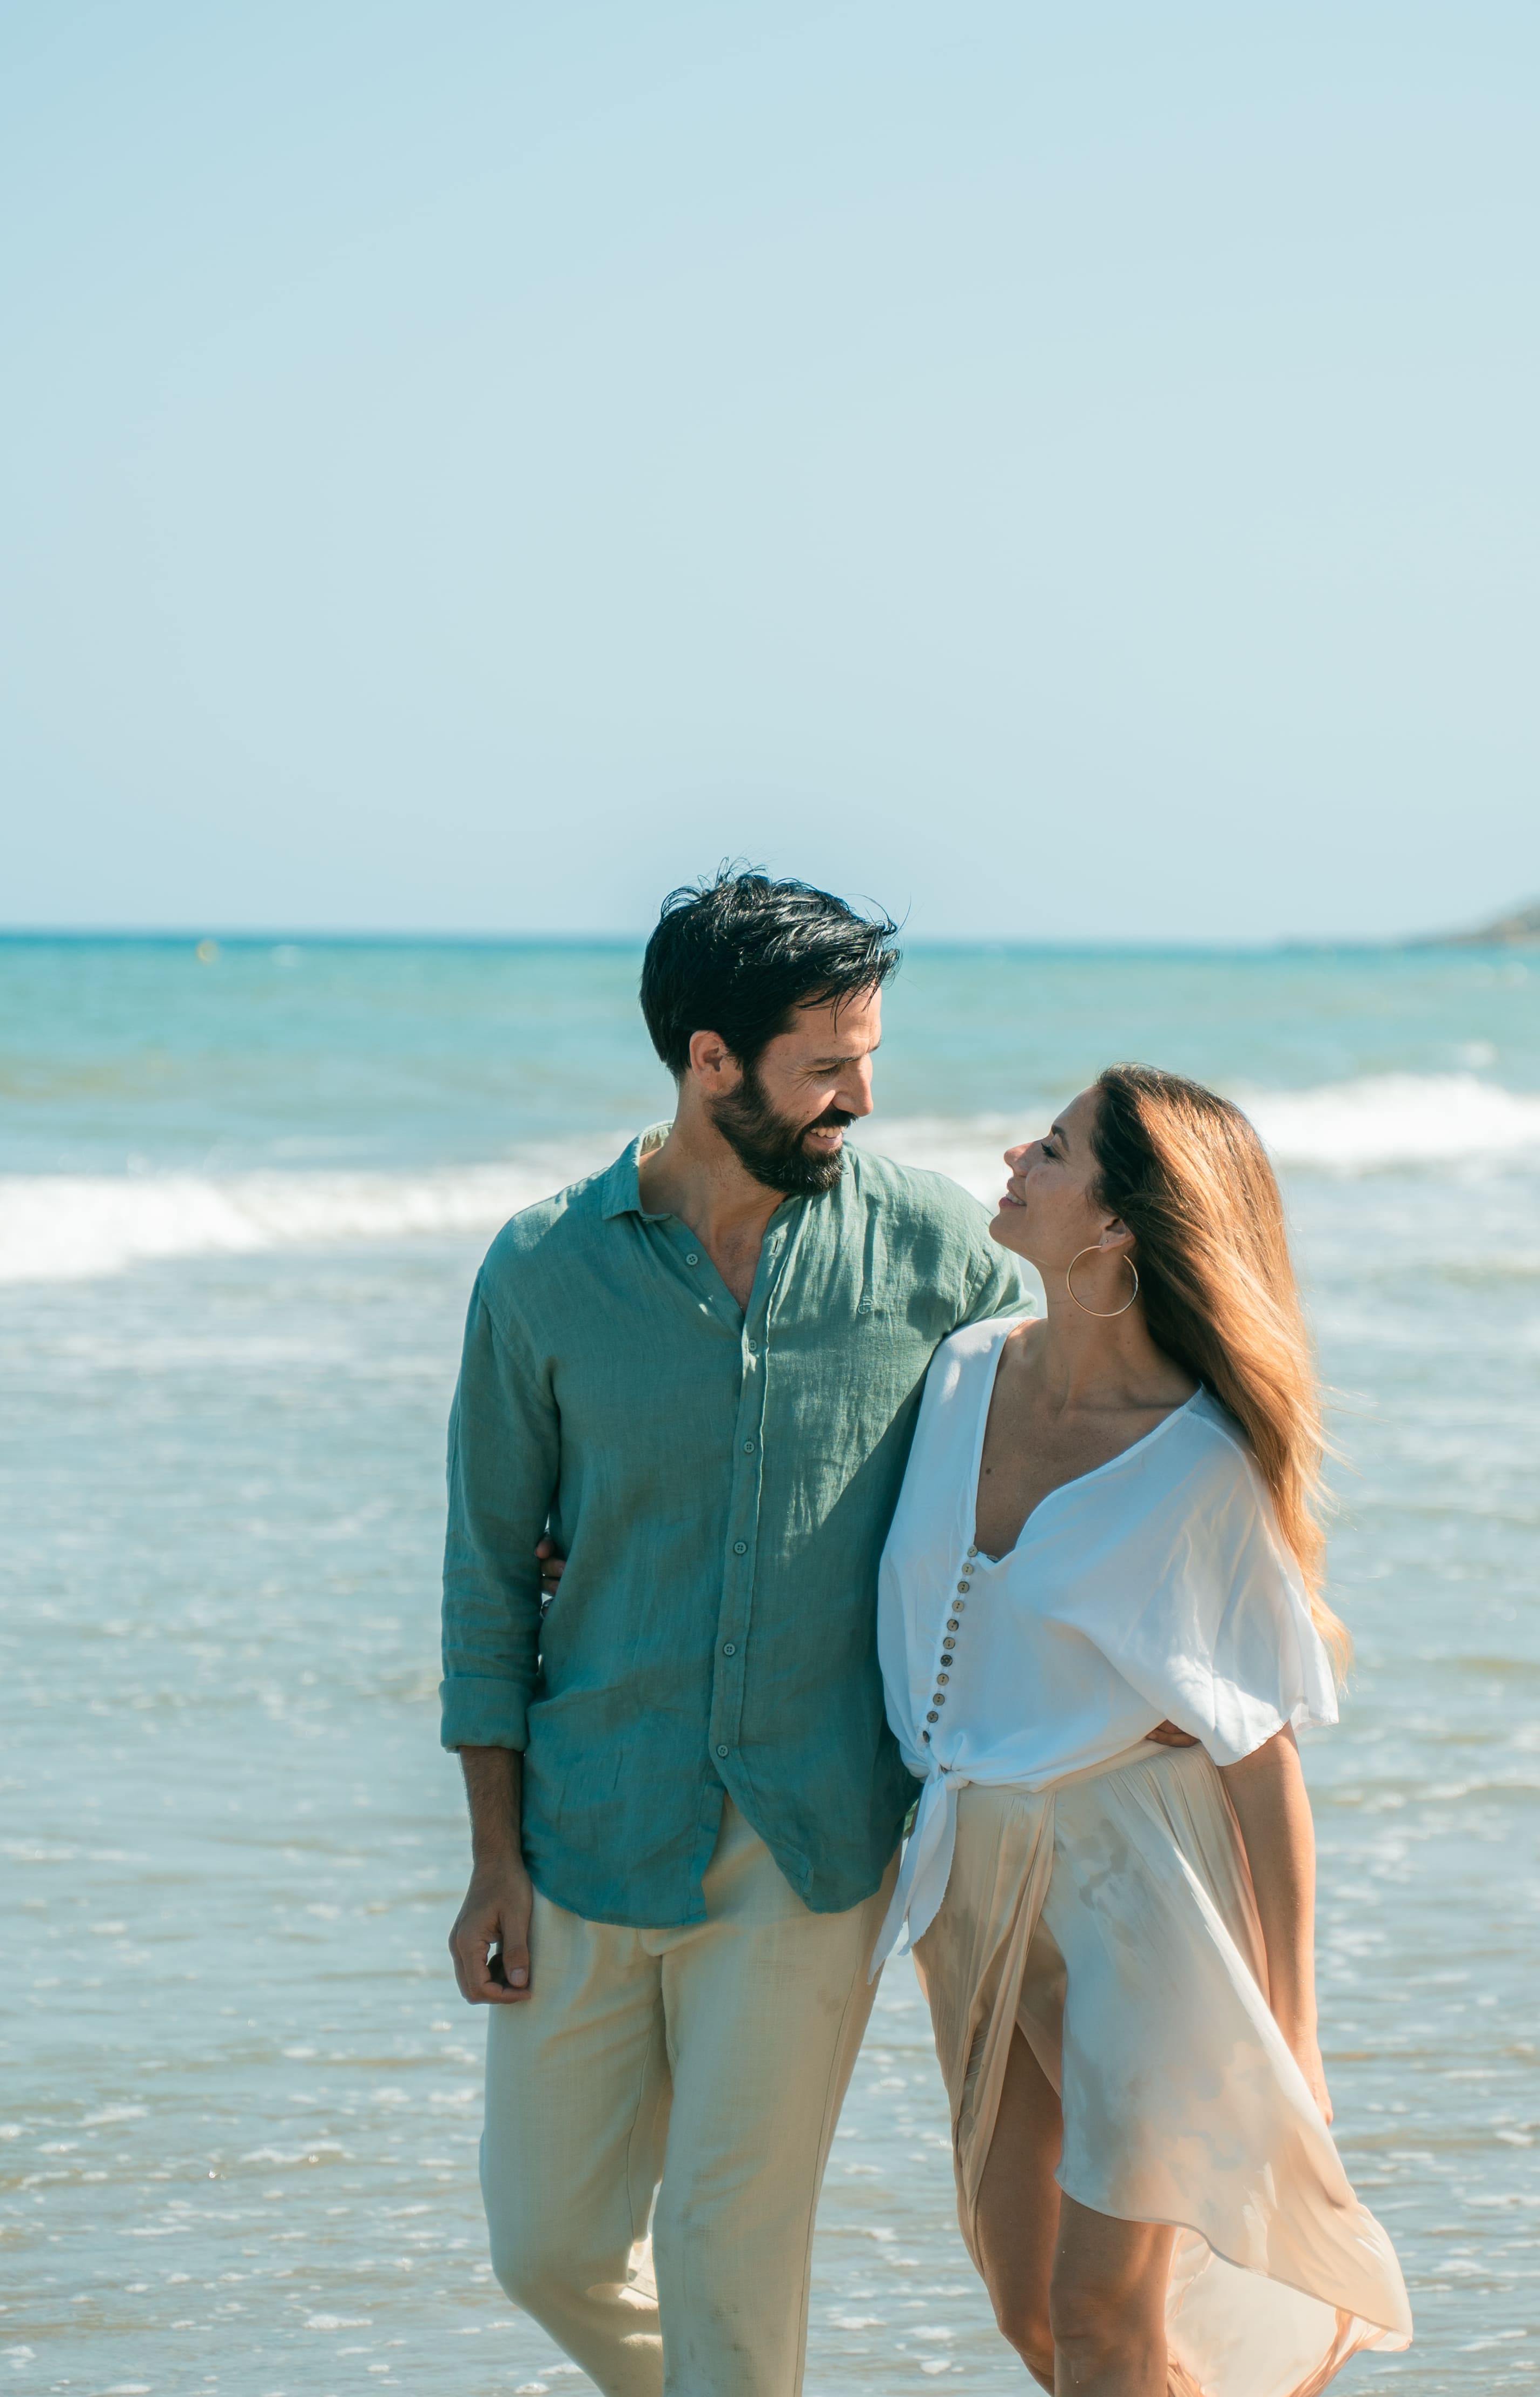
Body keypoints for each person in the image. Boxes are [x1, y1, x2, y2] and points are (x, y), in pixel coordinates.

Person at [439, 870, 1028, 2397]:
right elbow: (488, 1578)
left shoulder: (934, 1250)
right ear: (712, 1061)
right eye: (827, 1065)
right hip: (586, 1826)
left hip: (813, 1835)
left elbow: (1077, 1392)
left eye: (871, 1055)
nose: (863, 1096)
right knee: (547, 2248)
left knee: (728, 2248)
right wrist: (492, 1857)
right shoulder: (543, 1271)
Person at [877, 1065, 1413, 2395]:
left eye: (1052, 1149)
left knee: (1105, 2310)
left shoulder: (1198, 1460)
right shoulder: (956, 1377)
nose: (1015, 1155)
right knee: (1032, 2314)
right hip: (968, 1885)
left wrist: (1294, 2028)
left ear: (1118, 1224)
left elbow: (1259, 1753)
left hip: (1139, 1885)